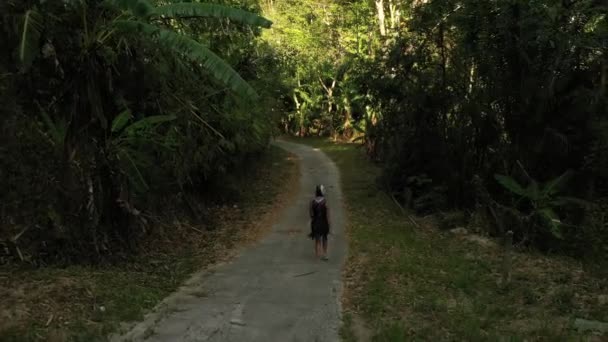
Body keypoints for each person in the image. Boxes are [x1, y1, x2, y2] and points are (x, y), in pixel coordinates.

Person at [309, 184, 330, 261]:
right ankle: (325, 254)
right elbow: (327, 214)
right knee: (325, 237)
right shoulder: (325, 201)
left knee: (317, 239)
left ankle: (317, 254)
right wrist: (329, 223)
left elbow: (311, 213)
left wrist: (313, 219)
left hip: (315, 222)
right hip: (324, 222)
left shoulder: (312, 202)